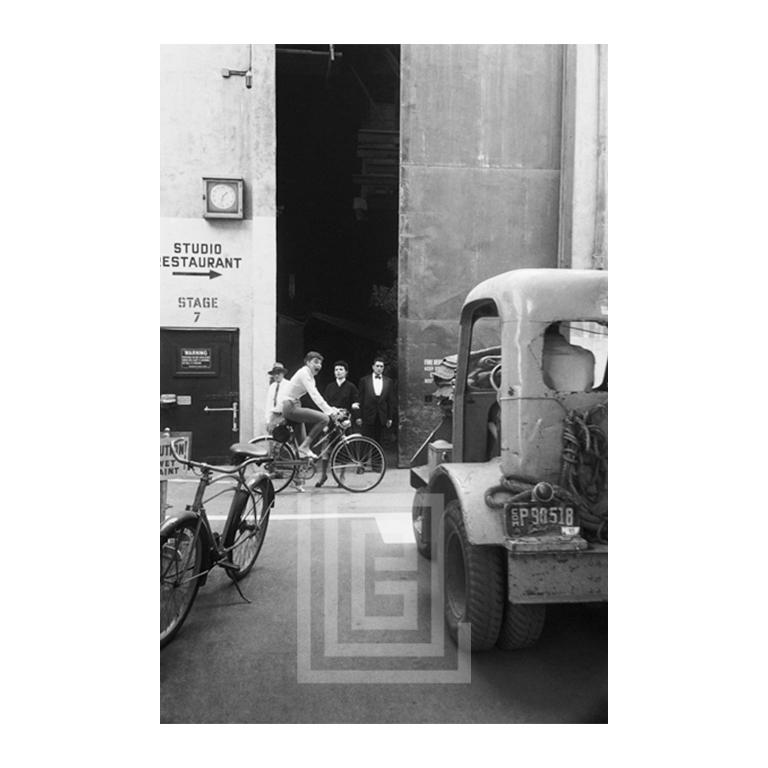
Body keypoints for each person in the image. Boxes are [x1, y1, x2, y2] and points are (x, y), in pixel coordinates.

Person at [282, 351, 340, 459]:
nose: (318, 365)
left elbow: (317, 395)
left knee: (303, 447)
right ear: (308, 363)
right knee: (324, 419)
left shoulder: (310, 377)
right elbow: (314, 395)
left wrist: (330, 408)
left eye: (320, 363)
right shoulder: (304, 373)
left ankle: (300, 467)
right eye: (316, 362)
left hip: (294, 405)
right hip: (290, 406)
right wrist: (329, 411)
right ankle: (304, 447)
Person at [315, 360, 359, 487]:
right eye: (336, 370)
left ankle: (342, 476)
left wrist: (353, 410)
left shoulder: (351, 387)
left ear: (346, 372)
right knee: (325, 448)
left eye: (341, 369)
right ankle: (323, 475)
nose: (338, 372)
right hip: (330, 420)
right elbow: (324, 404)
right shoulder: (330, 387)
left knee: (343, 449)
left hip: (344, 421)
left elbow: (355, 402)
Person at [357, 357, 396, 444]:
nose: (379, 368)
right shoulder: (364, 380)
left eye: (381, 366)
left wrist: (390, 417)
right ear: (373, 367)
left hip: (381, 415)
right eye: (377, 366)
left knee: (379, 441)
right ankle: (366, 458)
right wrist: (359, 416)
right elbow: (360, 399)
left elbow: (390, 400)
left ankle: (377, 458)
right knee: (366, 441)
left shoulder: (389, 381)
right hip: (367, 415)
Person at [264, 362, 291, 433]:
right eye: (274, 373)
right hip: (274, 415)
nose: (276, 375)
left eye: (279, 373)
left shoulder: (289, 385)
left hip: (283, 416)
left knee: (281, 438)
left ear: (283, 373)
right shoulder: (272, 386)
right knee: (271, 439)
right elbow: (269, 404)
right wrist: (268, 420)